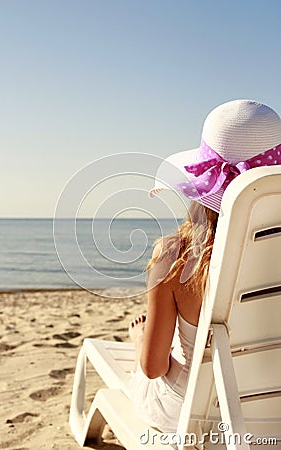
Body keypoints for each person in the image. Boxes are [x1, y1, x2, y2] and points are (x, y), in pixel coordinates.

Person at [129, 99, 281, 433]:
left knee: (145, 361)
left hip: (194, 414)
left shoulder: (174, 256)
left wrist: (141, 339)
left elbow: (154, 369)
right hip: (273, 410)